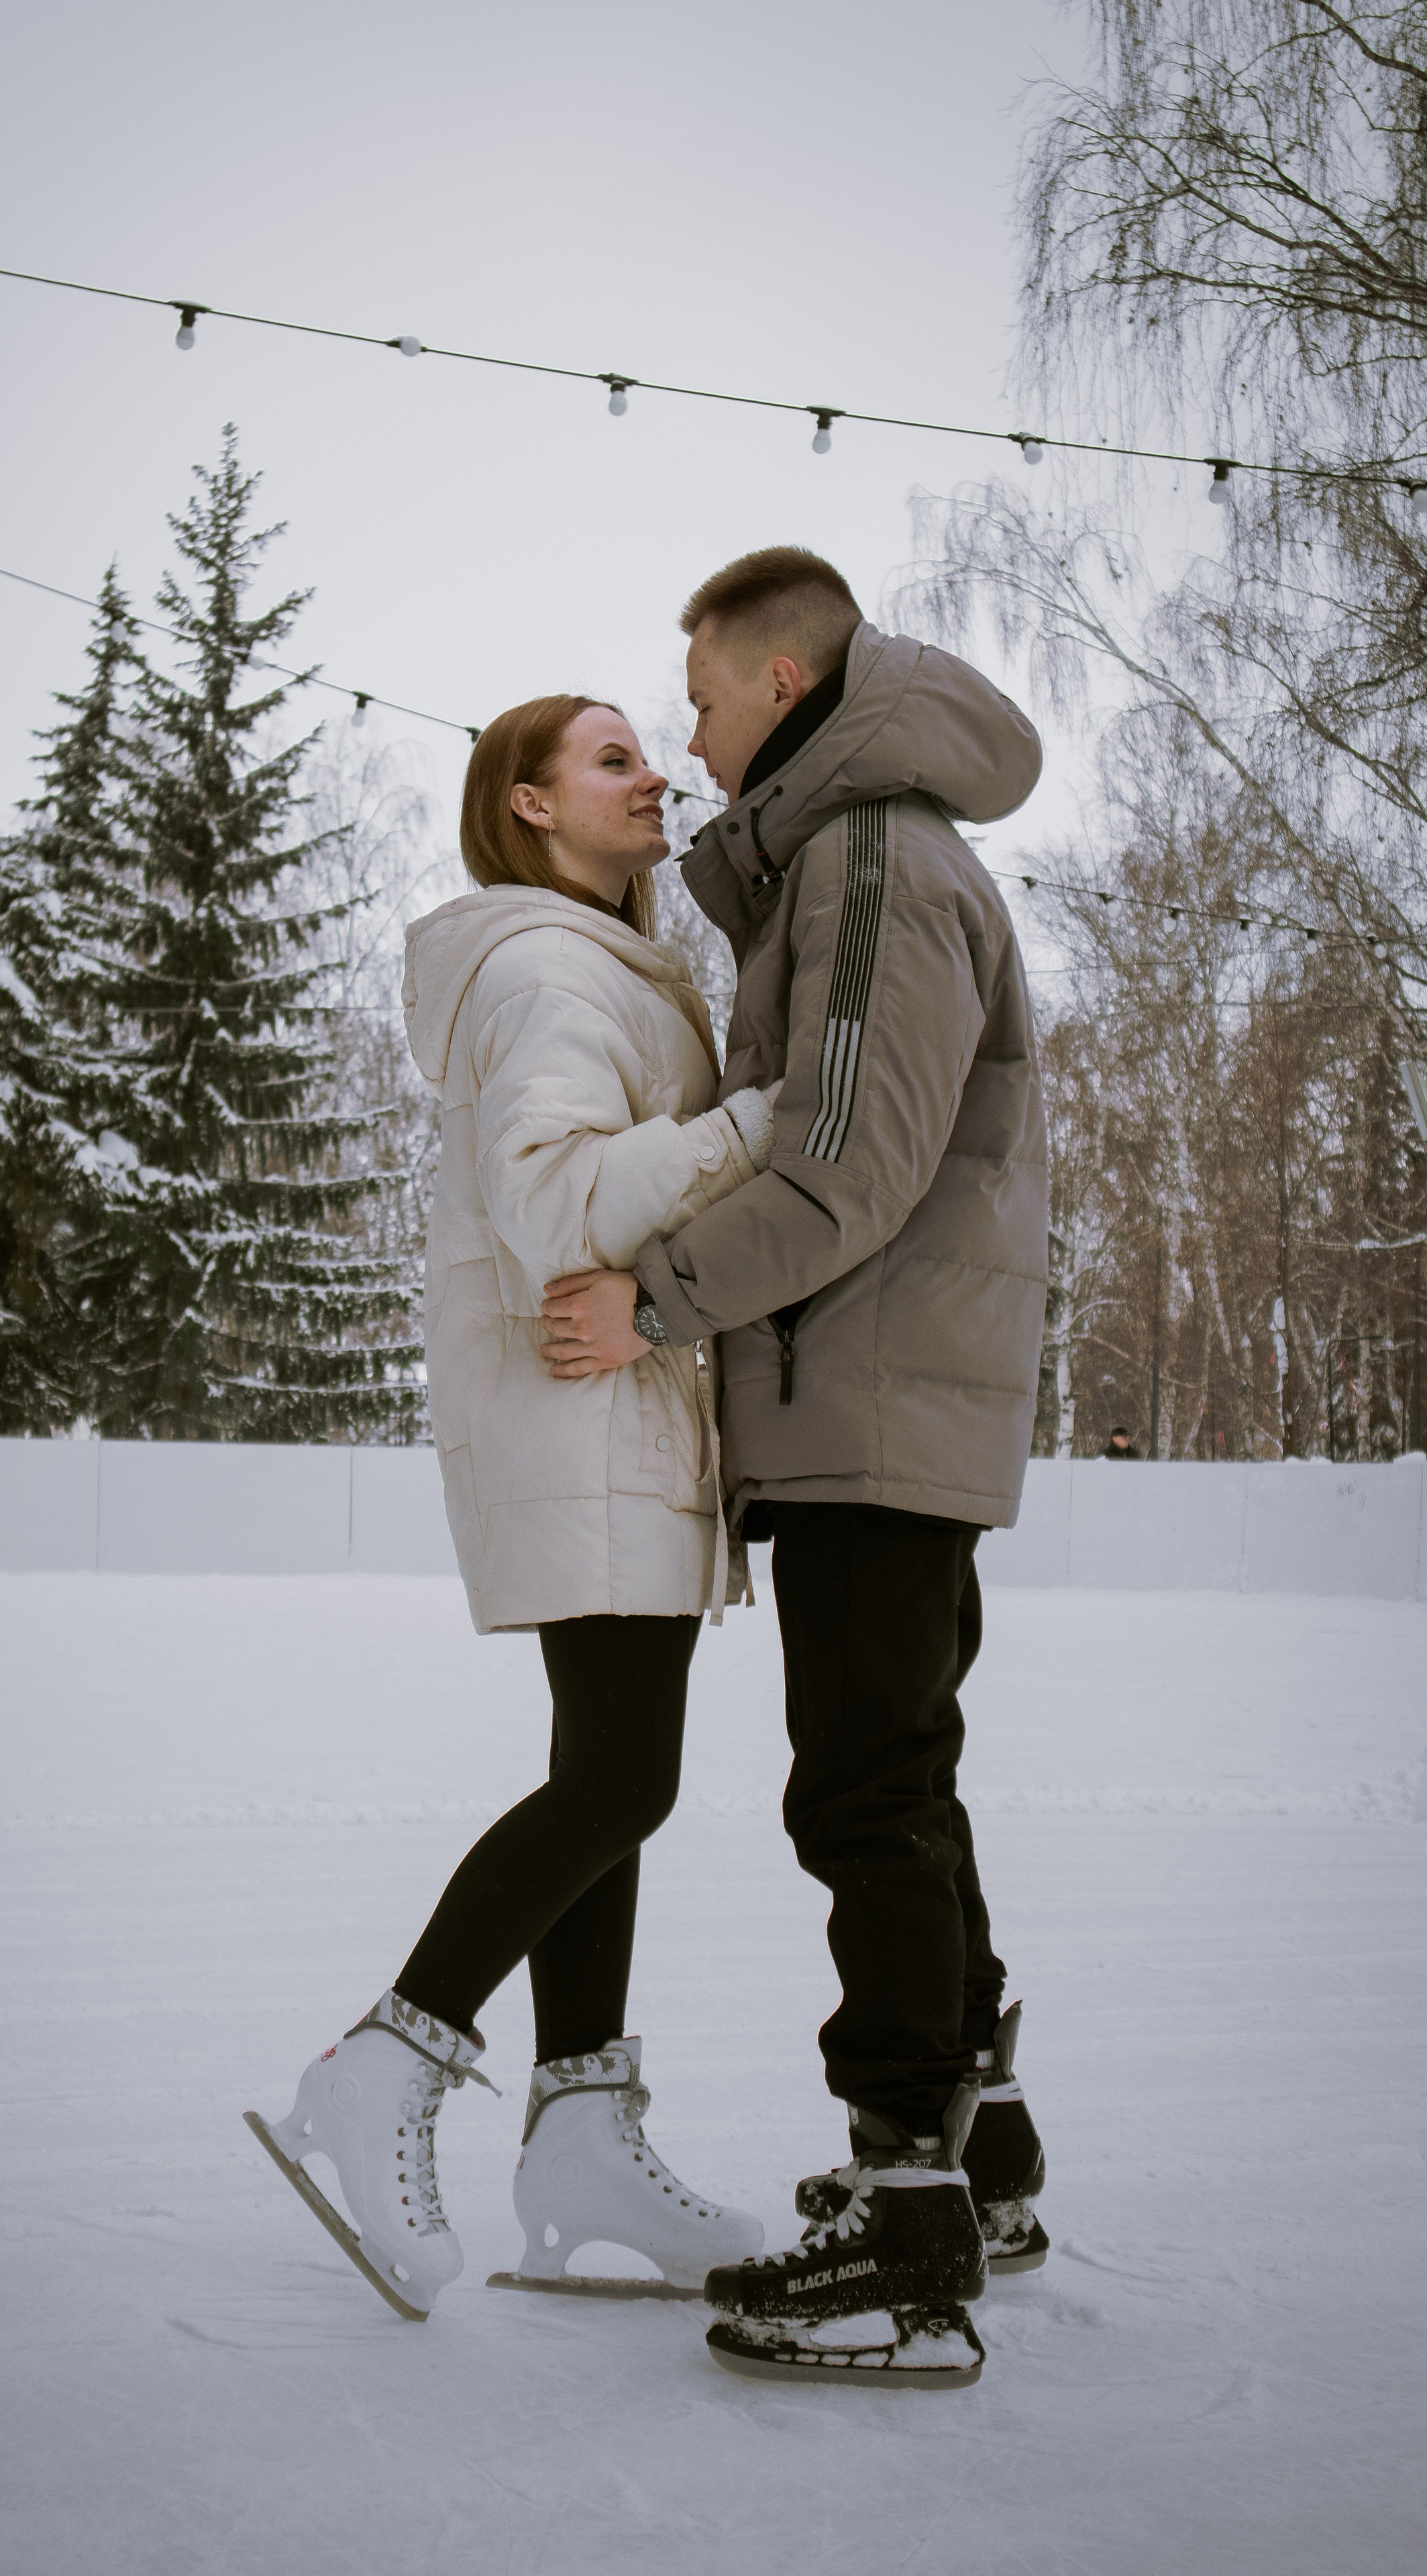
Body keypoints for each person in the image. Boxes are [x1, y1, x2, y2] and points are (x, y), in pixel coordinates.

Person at [540, 550, 1052, 2388]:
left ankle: (907, 2218)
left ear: (777, 679)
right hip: (892, 1398)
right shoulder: (868, 857)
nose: (684, 740)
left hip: (871, 1404)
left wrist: (654, 1297)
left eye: (695, 699)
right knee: (903, 1775)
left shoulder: (865, 863)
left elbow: (842, 1172)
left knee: (863, 1796)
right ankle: (977, 2161)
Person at [249, 694, 773, 2320]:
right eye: (614, 758)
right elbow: (554, 1197)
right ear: (528, 805)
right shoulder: (548, 964)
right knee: (621, 1776)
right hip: (586, 1410)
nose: (657, 779)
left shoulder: (598, 963)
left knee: (602, 1777)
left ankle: (582, 2141)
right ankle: (387, 2061)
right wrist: (760, 1125)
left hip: (611, 1412)